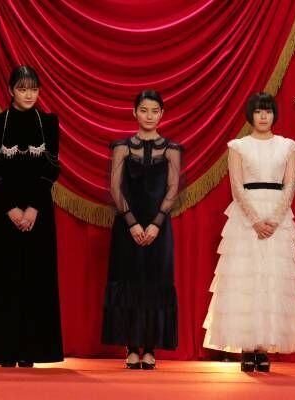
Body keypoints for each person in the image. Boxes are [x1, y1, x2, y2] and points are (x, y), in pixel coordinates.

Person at [202, 92, 295, 372]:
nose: (263, 116)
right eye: (259, 111)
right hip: (245, 218)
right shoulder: (238, 146)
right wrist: (256, 220)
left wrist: (274, 219)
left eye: (268, 111)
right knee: (245, 279)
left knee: (272, 278)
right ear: (251, 115)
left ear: (274, 115)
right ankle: (247, 348)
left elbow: (289, 186)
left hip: (278, 217)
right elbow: (236, 186)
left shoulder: (287, 146)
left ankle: (263, 348)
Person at [0, 65, 63, 368]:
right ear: (11, 90)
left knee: (35, 280)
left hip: (38, 213)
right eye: (22, 89)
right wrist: (12, 209)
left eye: (34, 89)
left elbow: (51, 168)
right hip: (3, 213)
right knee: (4, 279)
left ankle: (32, 351)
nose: (29, 95)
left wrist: (32, 209)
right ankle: (4, 350)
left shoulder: (48, 123)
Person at [102, 90, 182, 370]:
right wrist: (132, 222)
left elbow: (172, 189)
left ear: (162, 114)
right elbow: (115, 188)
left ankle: (150, 348)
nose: (149, 116)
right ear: (134, 112)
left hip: (159, 227)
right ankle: (132, 347)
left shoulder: (172, 149)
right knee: (129, 281)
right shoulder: (122, 147)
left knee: (155, 282)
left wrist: (157, 223)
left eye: (155, 111)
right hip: (127, 225)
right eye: (144, 110)